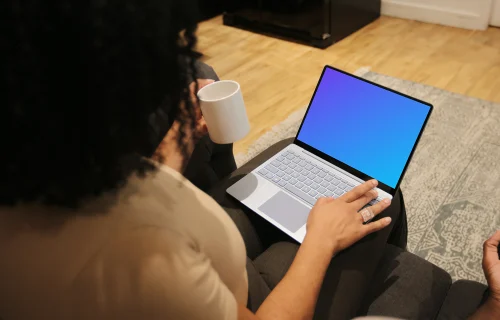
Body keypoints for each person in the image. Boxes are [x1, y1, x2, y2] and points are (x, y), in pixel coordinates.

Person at [0, 2, 499, 320]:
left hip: (210, 251)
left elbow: (136, 190)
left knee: (289, 154)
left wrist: (173, 147)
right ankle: (384, 269)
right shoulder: (136, 256)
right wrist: (321, 241)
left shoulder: (45, 175)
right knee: (378, 198)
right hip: (257, 301)